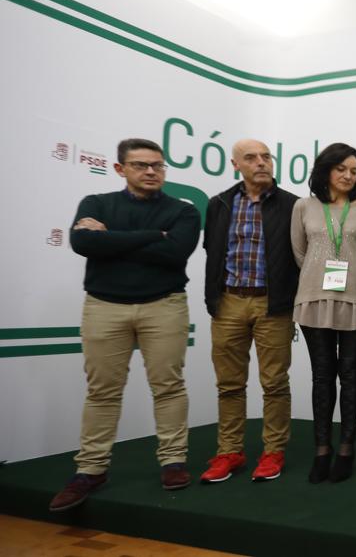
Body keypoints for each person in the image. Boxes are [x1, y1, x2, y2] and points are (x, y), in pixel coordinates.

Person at [50, 139, 201, 511]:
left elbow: (176, 252)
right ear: (120, 169)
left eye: (157, 165)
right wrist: (153, 236)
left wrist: (111, 238)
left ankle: (173, 461)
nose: (151, 172)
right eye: (140, 165)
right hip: (104, 306)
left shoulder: (183, 211)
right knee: (102, 391)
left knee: (168, 386)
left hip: (164, 305)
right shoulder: (96, 203)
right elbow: (83, 242)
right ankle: (91, 469)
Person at [200, 139, 300, 484]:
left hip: (272, 304)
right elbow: (212, 251)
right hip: (227, 302)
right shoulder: (219, 204)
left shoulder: (292, 205)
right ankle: (229, 451)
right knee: (229, 384)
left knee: (274, 382)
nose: (261, 163)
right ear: (235, 164)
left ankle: (273, 451)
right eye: (251, 158)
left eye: (266, 157)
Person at [291, 143, 356, 483]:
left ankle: (346, 448)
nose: (348, 175)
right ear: (326, 169)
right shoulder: (303, 206)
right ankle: (321, 449)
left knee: (351, 375)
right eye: (341, 168)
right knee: (322, 376)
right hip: (315, 298)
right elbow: (300, 252)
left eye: (354, 171)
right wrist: (321, 279)